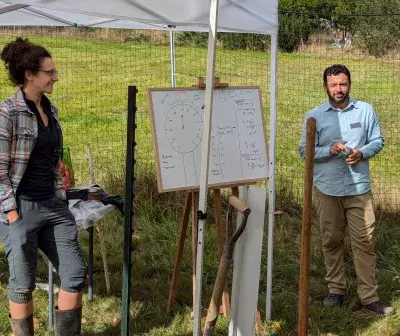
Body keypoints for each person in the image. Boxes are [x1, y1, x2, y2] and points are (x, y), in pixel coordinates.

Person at [0, 37, 86, 335]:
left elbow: (54, 163)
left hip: (53, 205)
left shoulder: (53, 111)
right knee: (22, 284)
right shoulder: (8, 112)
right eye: (49, 72)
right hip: (21, 208)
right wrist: (11, 214)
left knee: (74, 274)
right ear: (29, 75)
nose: (55, 77)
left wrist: (60, 198)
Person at [299, 64, 395, 316]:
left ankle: (369, 297)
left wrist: (361, 152)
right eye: (333, 85)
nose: (339, 89)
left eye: (343, 84)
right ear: (325, 87)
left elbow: (378, 141)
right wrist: (327, 151)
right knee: (331, 240)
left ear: (349, 84)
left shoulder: (366, 111)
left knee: (364, 241)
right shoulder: (314, 116)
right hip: (327, 188)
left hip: (358, 188)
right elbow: (303, 151)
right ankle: (336, 289)